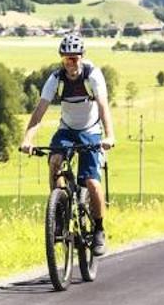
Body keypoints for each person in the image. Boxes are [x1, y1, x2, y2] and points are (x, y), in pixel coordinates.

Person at [19, 31, 115, 255]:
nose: (70, 62)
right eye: (66, 58)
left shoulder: (93, 76)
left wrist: (109, 136)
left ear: (82, 57)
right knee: (54, 161)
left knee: (91, 182)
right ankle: (60, 211)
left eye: (74, 58)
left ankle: (99, 229)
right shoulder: (56, 79)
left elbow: (103, 107)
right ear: (62, 59)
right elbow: (39, 112)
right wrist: (27, 140)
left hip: (91, 130)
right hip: (67, 130)